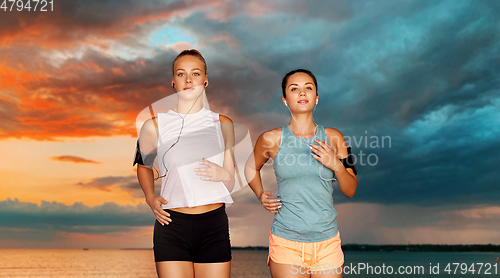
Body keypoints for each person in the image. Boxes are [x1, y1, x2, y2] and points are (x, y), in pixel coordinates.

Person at [245, 69, 358, 277]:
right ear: (285, 100)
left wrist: (336, 164)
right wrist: (260, 194)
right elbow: (250, 166)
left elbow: (350, 189)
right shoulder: (270, 139)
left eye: (308, 88)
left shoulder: (335, 137)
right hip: (286, 242)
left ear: (316, 98)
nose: (302, 93)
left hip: (327, 243)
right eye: (294, 89)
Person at [134, 49, 235, 278]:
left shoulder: (223, 124)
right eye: (181, 74)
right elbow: (143, 166)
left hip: (213, 225)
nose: (188, 80)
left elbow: (230, 182)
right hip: (172, 224)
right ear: (173, 81)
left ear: (205, 80)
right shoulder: (154, 126)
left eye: (195, 73)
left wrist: (223, 175)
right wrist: (150, 197)